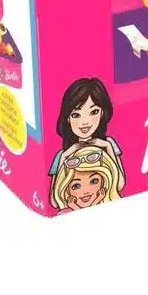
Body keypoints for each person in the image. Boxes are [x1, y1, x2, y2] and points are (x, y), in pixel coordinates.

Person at [48, 78, 125, 207]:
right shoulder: (62, 155)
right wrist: (65, 156)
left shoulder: (108, 143)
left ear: (102, 113)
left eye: (93, 112)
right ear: (67, 118)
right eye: (76, 115)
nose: (85, 122)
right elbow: (55, 202)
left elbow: (119, 185)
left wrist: (107, 147)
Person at [51, 143, 122, 211]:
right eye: (76, 186)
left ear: (104, 181)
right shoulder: (64, 214)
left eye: (94, 181)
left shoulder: (113, 206)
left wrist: (108, 146)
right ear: (67, 189)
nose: (86, 191)